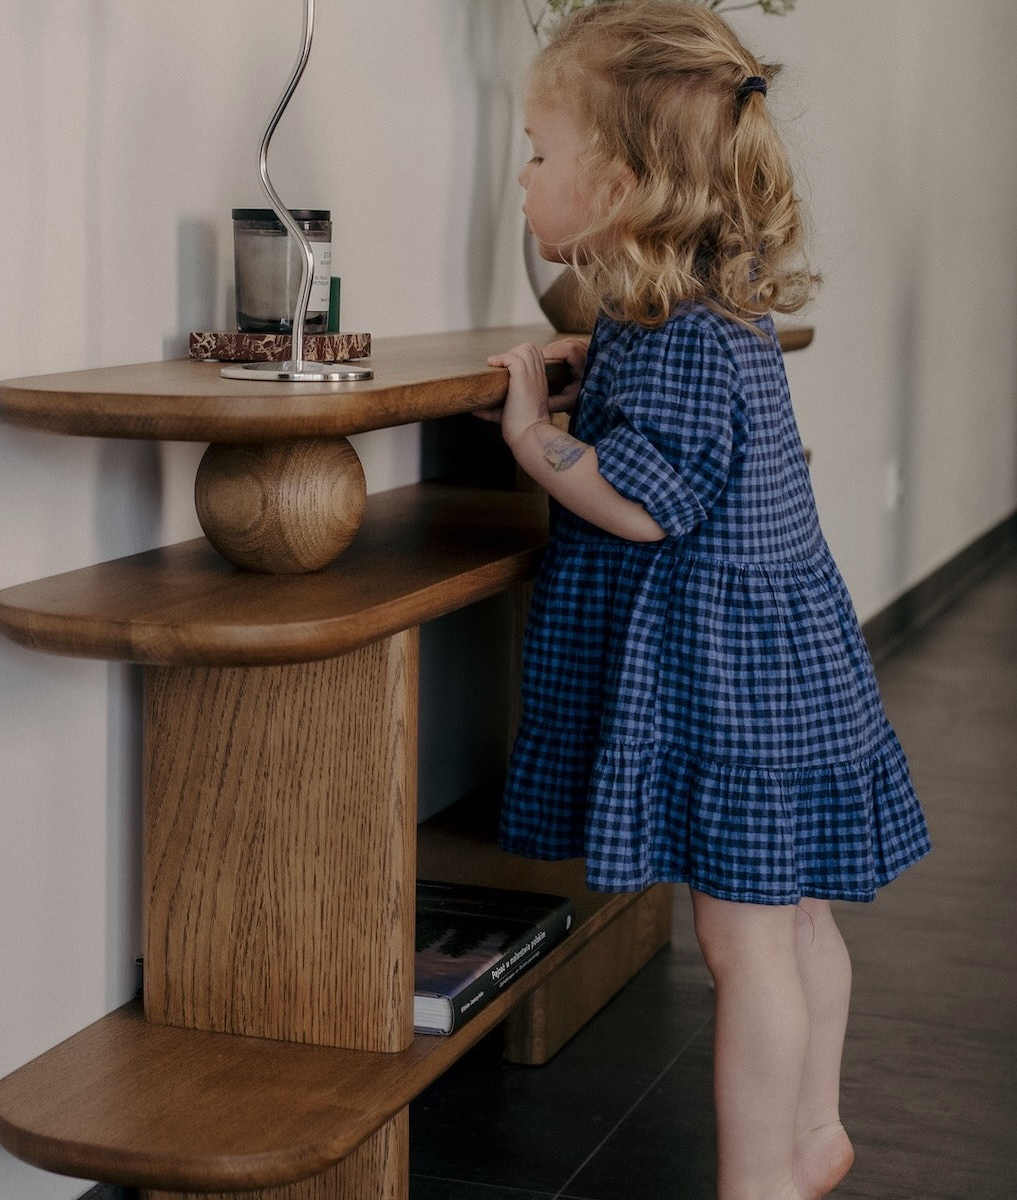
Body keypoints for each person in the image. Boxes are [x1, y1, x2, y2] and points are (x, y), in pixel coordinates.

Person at [482, 4, 931, 1198]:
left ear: (621, 183)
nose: (519, 175)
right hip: (784, 663)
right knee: (791, 925)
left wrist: (534, 436)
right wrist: (594, 370)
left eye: (536, 149)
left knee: (743, 946)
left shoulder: (673, 333)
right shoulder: (698, 310)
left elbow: (641, 502)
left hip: (729, 684)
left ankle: (759, 1187)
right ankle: (813, 1132)